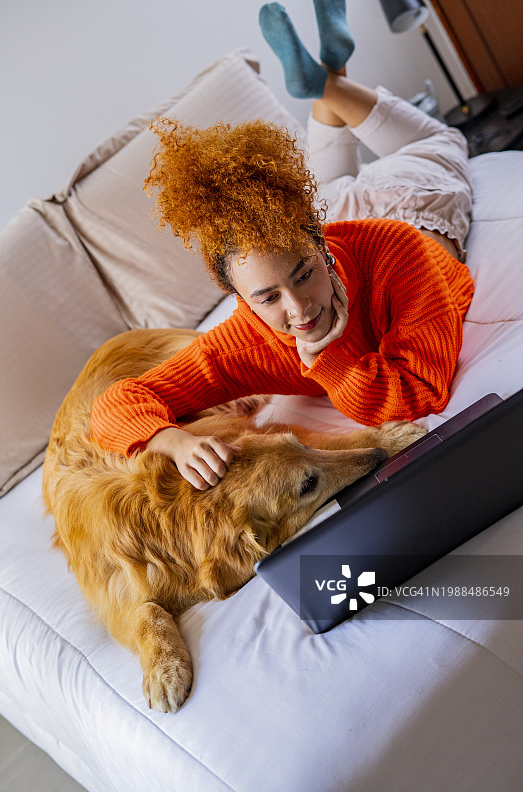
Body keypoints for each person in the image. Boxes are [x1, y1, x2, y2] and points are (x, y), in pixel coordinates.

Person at [90, 0, 474, 491]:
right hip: (317, 213)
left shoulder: (398, 252)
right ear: (238, 296)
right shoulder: (246, 339)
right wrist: (172, 440)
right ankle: (329, 73)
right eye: (267, 297)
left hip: (414, 203)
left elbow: (421, 392)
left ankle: (330, 78)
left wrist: (325, 358)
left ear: (319, 246)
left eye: (303, 276)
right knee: (329, 176)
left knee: (443, 142)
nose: (298, 309)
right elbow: (116, 405)